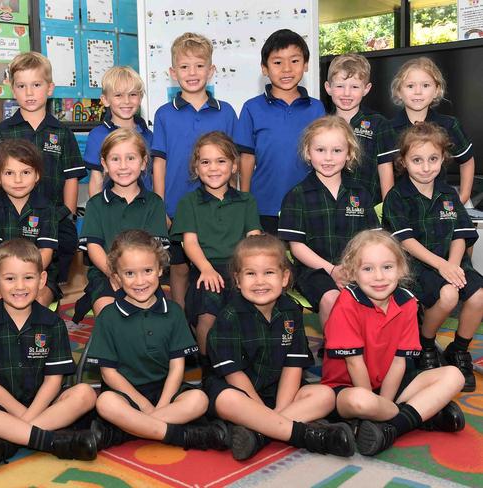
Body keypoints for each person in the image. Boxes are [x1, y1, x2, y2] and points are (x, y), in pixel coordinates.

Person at [205, 234, 355, 461]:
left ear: (285, 278)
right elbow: (233, 375)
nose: (260, 281)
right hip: (241, 393)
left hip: (279, 392)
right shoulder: (229, 316)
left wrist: (275, 414)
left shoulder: (291, 311)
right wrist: (262, 411)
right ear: (237, 280)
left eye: (269, 273)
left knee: (325, 395)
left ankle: (260, 433)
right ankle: (307, 435)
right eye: (250, 274)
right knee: (227, 400)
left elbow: (293, 366)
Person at [0, 239, 97, 470]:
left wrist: (27, 418)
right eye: (10, 278)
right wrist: (21, 414)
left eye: (28, 278)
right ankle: (51, 441)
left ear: (42, 280)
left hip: (46, 405)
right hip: (0, 408)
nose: (19, 286)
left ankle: (7, 442)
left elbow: (54, 381)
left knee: (85, 394)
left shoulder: (53, 323)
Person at [322, 230, 466, 456]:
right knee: (362, 402)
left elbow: (399, 363)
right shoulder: (347, 303)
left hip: (389, 385)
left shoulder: (408, 302)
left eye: (387, 267)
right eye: (367, 269)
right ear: (352, 272)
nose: (379, 277)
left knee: (455, 376)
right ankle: (419, 415)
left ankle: (392, 427)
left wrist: (384, 403)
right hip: (349, 387)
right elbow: (354, 364)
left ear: (401, 269)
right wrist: (374, 404)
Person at [88, 229, 228, 452]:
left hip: (165, 391)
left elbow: (177, 368)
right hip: (126, 394)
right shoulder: (108, 316)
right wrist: (142, 404)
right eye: (130, 274)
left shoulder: (173, 312)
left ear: (160, 270)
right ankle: (181, 435)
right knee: (105, 403)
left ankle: (125, 431)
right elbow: (108, 374)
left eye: (147, 271)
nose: (140, 281)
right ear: (116, 277)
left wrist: (160, 406)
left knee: (199, 399)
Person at [383, 122, 482, 392]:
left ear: (443, 159)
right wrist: (441, 266)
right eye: (417, 160)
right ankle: (426, 343)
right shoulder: (397, 196)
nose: (426, 167)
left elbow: (460, 234)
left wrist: (452, 264)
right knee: (448, 295)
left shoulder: (449, 193)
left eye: (433, 159)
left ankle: (458, 349)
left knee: (479, 294)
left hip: (451, 262)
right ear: (403, 161)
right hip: (417, 267)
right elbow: (406, 240)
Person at [151, 32, 238, 310]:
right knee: (179, 269)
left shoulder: (226, 112)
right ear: (173, 72)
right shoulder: (164, 113)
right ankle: (179, 321)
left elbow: (232, 162)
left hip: (216, 207)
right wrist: (161, 206)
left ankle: (216, 321)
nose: (192, 73)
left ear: (211, 71)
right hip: (176, 206)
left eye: (199, 66)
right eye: (185, 67)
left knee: (216, 265)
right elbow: (159, 162)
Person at [0, 52, 86, 285]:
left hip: (54, 220)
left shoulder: (62, 133)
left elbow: (71, 177)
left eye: (36, 85)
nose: (29, 93)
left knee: (50, 276)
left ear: (50, 88)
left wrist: (67, 216)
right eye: (22, 86)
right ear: (12, 89)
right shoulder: (1, 132)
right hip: (11, 220)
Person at [279, 116, 380, 331]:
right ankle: (336, 350)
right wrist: (332, 270)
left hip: (358, 268)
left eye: (337, 151)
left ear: (349, 153)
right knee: (332, 297)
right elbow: (296, 247)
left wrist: (356, 269)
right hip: (313, 271)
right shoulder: (296, 195)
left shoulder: (360, 193)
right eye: (320, 150)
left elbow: (374, 241)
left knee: (383, 292)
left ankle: (370, 348)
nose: (328, 158)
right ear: (308, 152)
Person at [170, 131, 261, 358]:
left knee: (252, 309)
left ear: (233, 166)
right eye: (206, 162)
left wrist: (249, 272)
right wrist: (206, 269)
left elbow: (254, 240)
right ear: (196, 168)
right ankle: (208, 365)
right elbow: (189, 243)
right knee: (208, 314)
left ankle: (250, 361)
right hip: (206, 270)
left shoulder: (246, 201)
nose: (213, 168)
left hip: (240, 269)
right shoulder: (188, 203)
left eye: (221, 161)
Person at [236, 29, 325, 235]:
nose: (286, 69)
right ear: (264, 69)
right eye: (277, 62)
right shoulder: (252, 108)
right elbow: (246, 158)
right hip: (264, 205)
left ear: (306, 64)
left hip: (308, 203)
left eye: (294, 61)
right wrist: (245, 202)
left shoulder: (317, 108)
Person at [80, 129, 169, 316]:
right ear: (104, 164)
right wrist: (115, 273)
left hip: (144, 275)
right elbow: (94, 246)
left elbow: (155, 249)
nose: (123, 166)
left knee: (156, 318)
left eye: (130, 158)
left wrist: (135, 276)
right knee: (108, 313)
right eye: (115, 159)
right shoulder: (96, 204)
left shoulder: (154, 203)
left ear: (144, 163)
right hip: (106, 273)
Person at [0, 139, 59, 307]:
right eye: (9, 173)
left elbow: (46, 253)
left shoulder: (47, 207)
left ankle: (38, 333)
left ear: (37, 175)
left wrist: (28, 279)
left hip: (39, 274)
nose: (18, 180)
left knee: (37, 302)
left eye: (26, 172)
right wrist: (9, 281)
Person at [386, 57, 475, 204]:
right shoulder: (387, 129)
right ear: (398, 91)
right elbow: (385, 172)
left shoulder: (449, 125)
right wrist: (390, 206)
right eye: (410, 86)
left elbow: (467, 161)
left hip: (439, 207)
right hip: (402, 209)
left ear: (437, 90)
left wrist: (463, 197)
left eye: (426, 85)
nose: (418, 92)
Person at [324, 53, 394, 202]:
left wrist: (389, 210)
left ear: (366, 89)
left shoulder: (379, 124)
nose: (347, 93)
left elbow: (386, 170)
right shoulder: (322, 126)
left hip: (369, 210)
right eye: (340, 86)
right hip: (330, 208)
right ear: (328, 88)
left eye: (355, 86)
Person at [85, 66, 153, 196]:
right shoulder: (97, 136)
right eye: (118, 95)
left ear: (140, 98)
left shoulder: (149, 136)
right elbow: (96, 179)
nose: (126, 101)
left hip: (144, 211)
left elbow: (154, 178)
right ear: (105, 100)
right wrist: (97, 213)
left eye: (133, 94)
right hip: (109, 211)